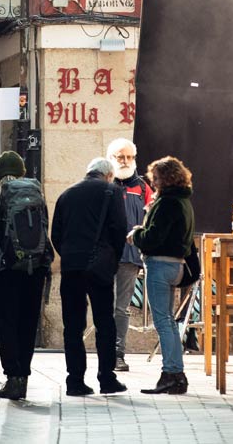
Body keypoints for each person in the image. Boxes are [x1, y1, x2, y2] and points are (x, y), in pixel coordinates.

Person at [51, 157, 128, 397]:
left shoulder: (66, 195)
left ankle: (75, 381)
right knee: (105, 322)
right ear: (109, 175)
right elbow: (120, 229)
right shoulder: (112, 192)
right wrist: (112, 259)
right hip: (99, 268)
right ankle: (107, 378)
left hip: (71, 267)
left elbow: (56, 234)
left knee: (72, 325)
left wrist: (70, 255)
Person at [0, 150, 52, 401]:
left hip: (6, 268)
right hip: (36, 268)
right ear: (22, 172)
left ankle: (13, 378)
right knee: (28, 323)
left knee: (7, 323)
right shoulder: (37, 195)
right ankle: (24, 376)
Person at [130, 156, 195, 395]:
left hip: (160, 264)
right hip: (176, 265)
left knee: (163, 322)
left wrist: (137, 234)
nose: (153, 182)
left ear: (167, 178)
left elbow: (153, 237)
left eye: (156, 178)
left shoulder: (167, 203)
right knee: (168, 321)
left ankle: (171, 373)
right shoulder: (183, 200)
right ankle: (176, 375)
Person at [107, 137, 151, 372]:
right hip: (104, 256)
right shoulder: (103, 185)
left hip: (130, 257)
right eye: (120, 157)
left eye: (129, 157)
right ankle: (106, 352)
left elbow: (152, 219)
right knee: (105, 305)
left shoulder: (143, 188)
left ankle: (117, 354)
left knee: (121, 308)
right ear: (111, 158)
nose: (125, 161)